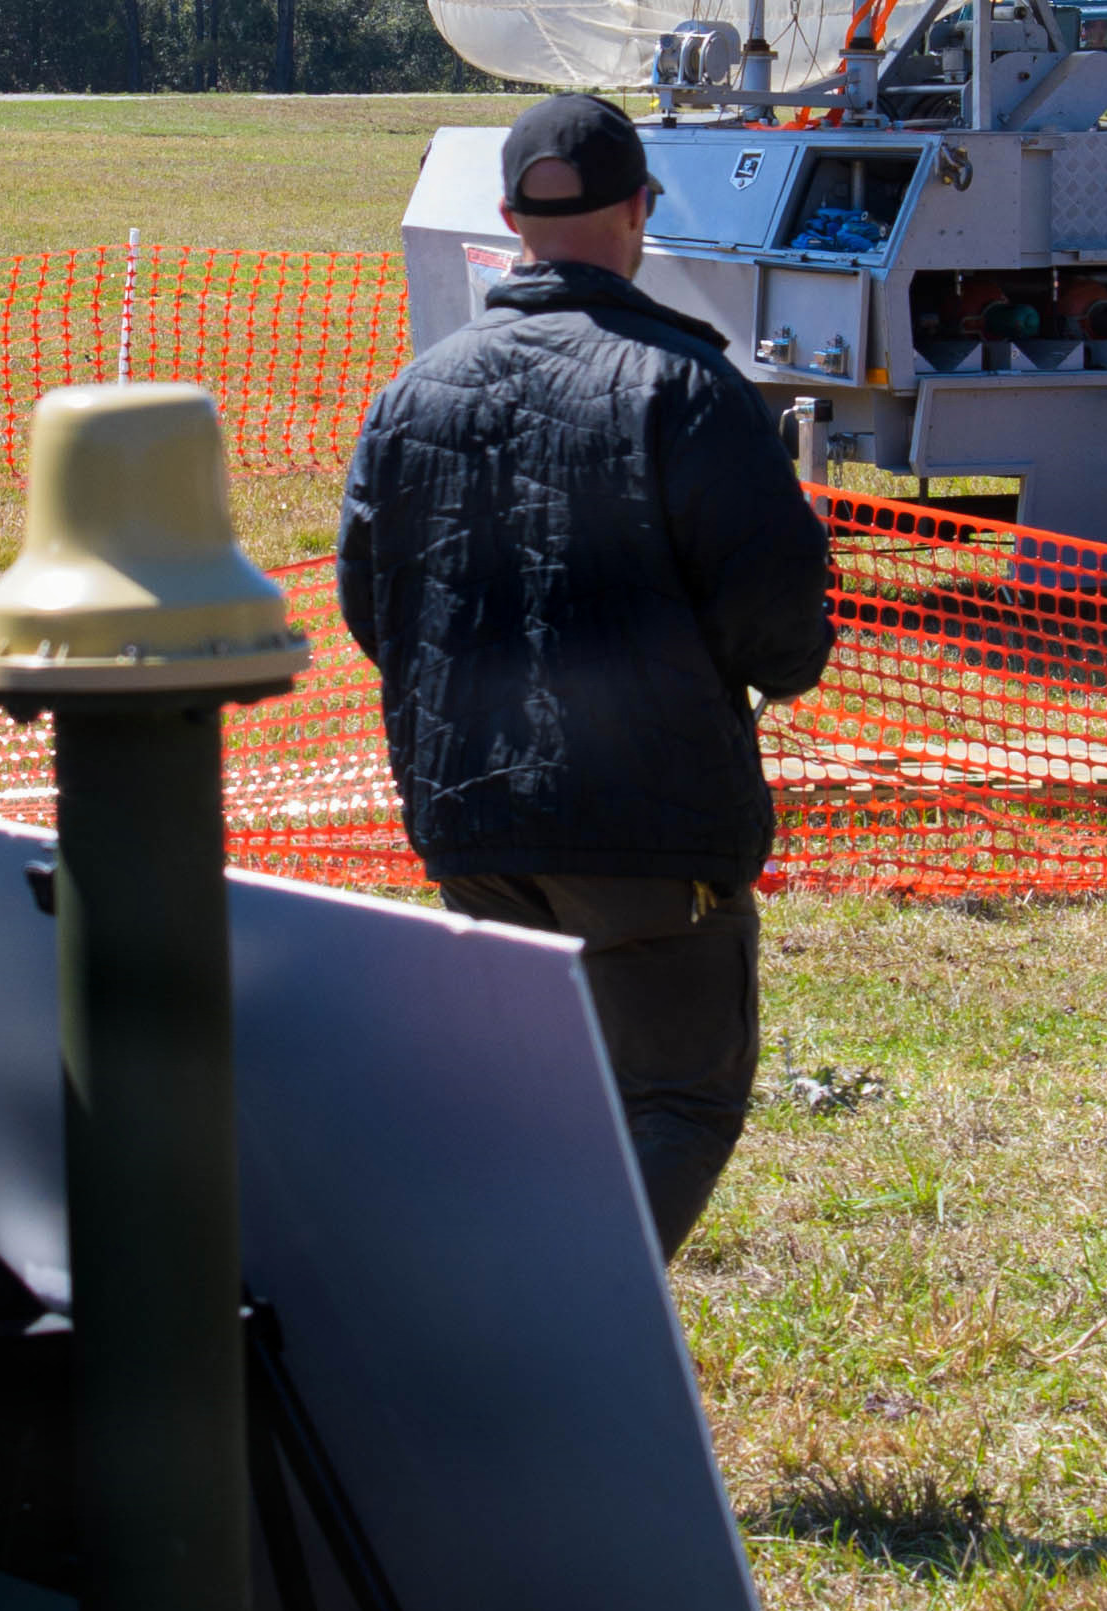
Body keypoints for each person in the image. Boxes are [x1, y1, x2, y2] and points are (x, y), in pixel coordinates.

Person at [336, 90, 840, 1247]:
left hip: (470, 821)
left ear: (511, 215)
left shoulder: (413, 391)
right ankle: (559, 1342)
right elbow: (777, 616)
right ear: (641, 210)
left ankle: (495, 1302)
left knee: (528, 1107)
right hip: (651, 826)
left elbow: (375, 605)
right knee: (675, 1098)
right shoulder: (689, 386)